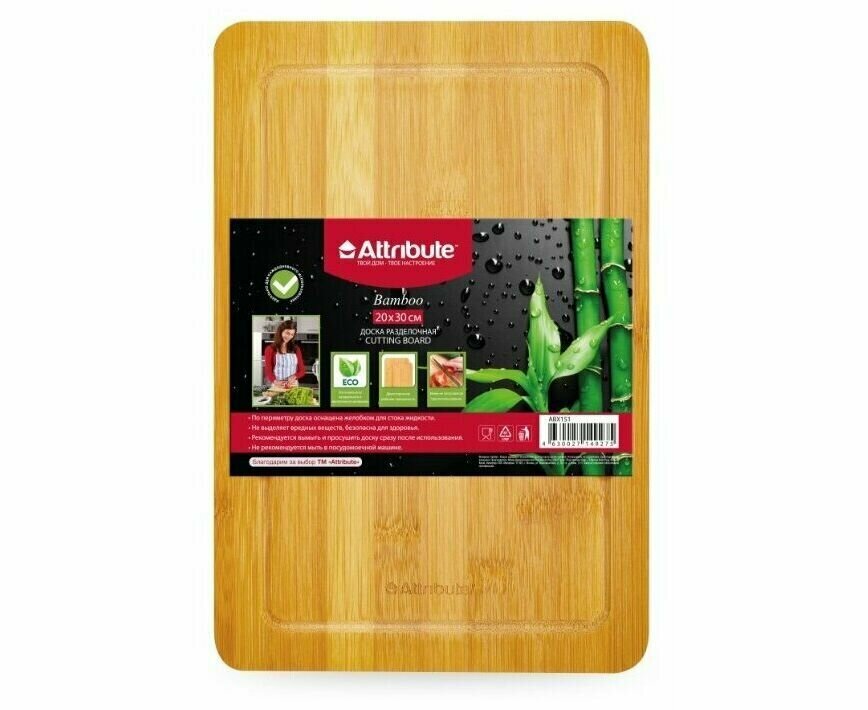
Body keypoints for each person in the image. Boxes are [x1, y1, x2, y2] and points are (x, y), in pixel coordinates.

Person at [263, 319, 306, 388]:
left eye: (292, 334)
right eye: (287, 333)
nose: (289, 336)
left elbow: (302, 370)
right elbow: (268, 371)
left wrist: (295, 376)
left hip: (292, 385)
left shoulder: (296, 349)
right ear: (281, 331)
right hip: (277, 385)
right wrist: (275, 381)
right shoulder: (270, 349)